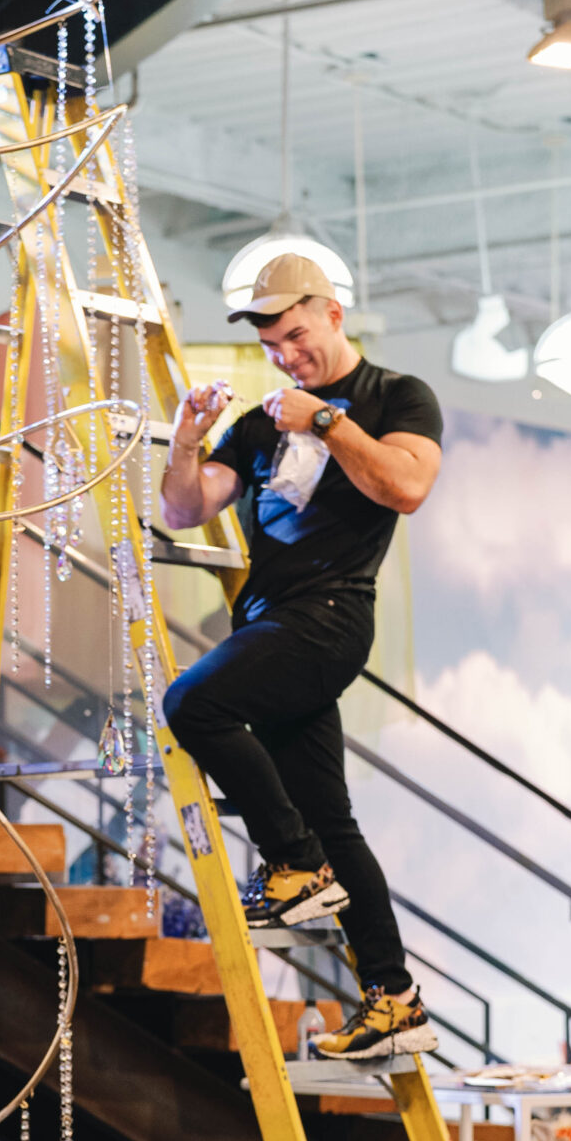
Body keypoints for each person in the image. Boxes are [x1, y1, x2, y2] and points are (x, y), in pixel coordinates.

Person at [160, 251, 444, 1061]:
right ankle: (394, 998)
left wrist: (324, 422)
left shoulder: (396, 397)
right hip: (269, 620)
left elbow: (406, 487)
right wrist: (185, 439)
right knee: (330, 820)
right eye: (271, 346)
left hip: (329, 617)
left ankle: (293, 865)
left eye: (294, 336)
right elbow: (183, 507)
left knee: (192, 704)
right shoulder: (261, 422)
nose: (285, 356)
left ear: (331, 314)